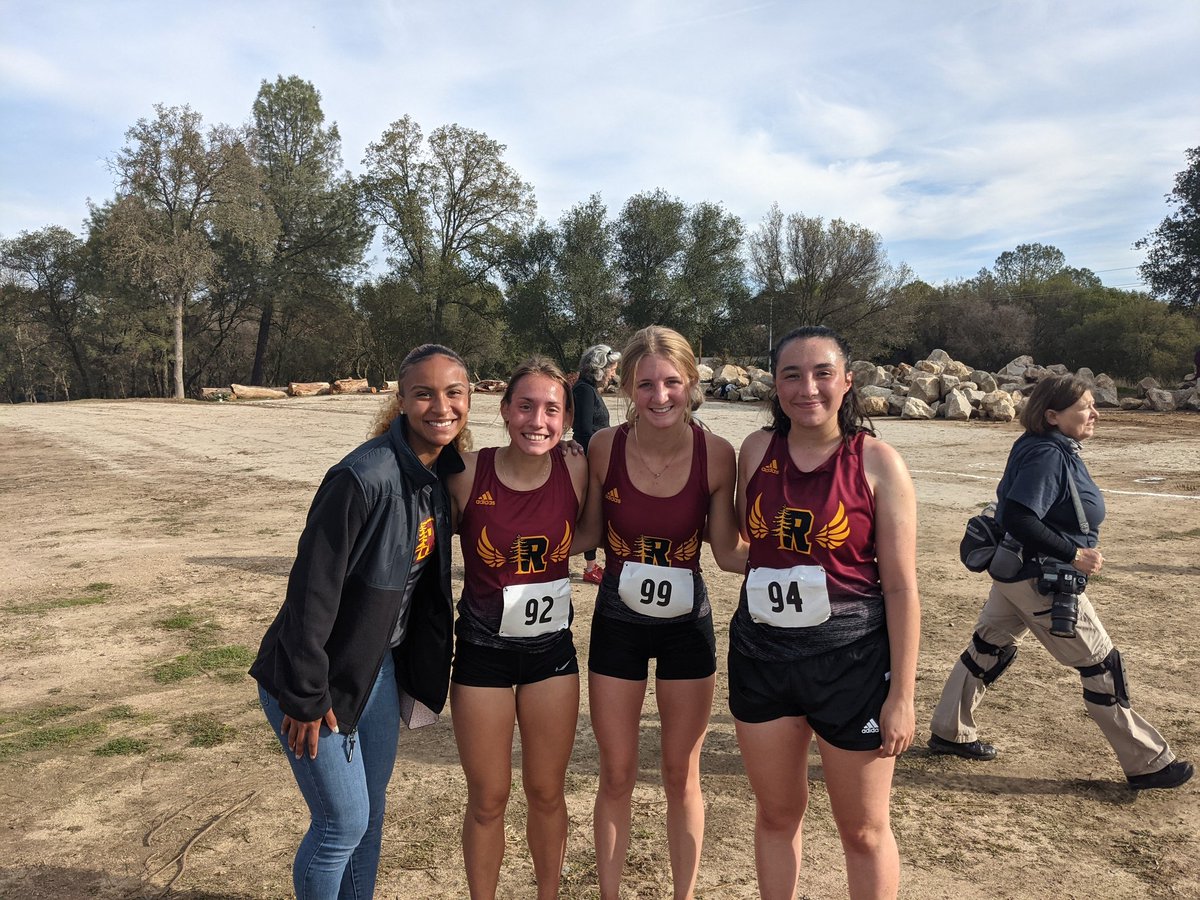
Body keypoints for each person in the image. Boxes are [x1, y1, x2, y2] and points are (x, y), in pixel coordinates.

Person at [250, 343, 470, 899]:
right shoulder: (361, 477)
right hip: (317, 681)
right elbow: (309, 594)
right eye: (423, 393)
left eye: (453, 393)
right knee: (340, 825)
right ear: (401, 400)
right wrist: (304, 695)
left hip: (377, 674)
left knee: (369, 820)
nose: (439, 406)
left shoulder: (437, 478)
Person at [929, 374, 1193, 791]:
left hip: (1016, 575)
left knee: (987, 648)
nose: (1095, 412)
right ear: (1052, 415)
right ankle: (1149, 763)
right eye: (1085, 406)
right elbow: (1019, 517)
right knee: (1101, 665)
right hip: (1041, 579)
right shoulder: (1047, 455)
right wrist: (1075, 554)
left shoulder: (1042, 446)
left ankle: (950, 731)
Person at [729, 325, 919, 900]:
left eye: (822, 373)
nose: (807, 388)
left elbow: (902, 588)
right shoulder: (757, 450)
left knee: (862, 830)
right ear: (774, 384)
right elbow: (744, 544)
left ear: (847, 382)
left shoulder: (879, 462)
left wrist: (902, 696)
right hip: (761, 661)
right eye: (792, 374)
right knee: (775, 816)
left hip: (852, 666)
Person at [574, 325, 743, 900]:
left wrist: (824, 558)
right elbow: (589, 533)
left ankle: (684, 895)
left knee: (681, 774)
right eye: (646, 384)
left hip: (686, 627)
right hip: (615, 623)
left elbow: (727, 553)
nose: (660, 395)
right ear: (625, 387)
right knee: (616, 773)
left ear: (691, 383)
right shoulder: (603, 448)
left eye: (672, 382)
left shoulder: (718, 455)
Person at [447, 357, 589, 900]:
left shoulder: (576, 468)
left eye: (552, 409)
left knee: (547, 791)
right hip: (481, 654)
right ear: (504, 410)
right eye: (525, 406)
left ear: (566, 418)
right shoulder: (466, 473)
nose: (538, 420)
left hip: (551, 654)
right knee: (487, 797)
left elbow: (591, 530)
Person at [573, 343, 621, 584]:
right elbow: (582, 429)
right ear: (600, 368)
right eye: (612, 368)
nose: (613, 373)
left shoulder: (589, 390)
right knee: (590, 512)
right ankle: (590, 567)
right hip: (590, 460)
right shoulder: (584, 391)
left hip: (596, 457)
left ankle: (592, 564)